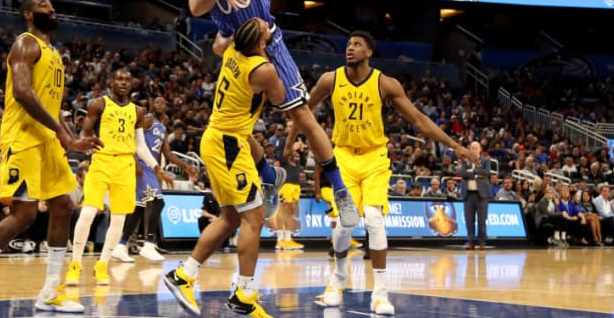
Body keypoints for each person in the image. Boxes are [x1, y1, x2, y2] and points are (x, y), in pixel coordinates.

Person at [141, 0, 360, 229]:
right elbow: (195, 7)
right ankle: (269, 175)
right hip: (236, 54)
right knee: (232, 127)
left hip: (268, 46)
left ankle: (341, 192)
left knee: (303, 118)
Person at [0, 0, 103, 316]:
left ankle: (50, 293)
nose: (52, 9)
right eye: (44, 5)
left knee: (63, 206)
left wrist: (68, 138)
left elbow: (50, 104)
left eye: (53, 5)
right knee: (24, 215)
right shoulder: (25, 44)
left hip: (48, 141)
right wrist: (63, 133)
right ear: (29, 15)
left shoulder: (53, 52)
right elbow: (23, 92)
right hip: (24, 139)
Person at [305, 31, 478, 315]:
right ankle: (336, 282)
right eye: (348, 44)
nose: (351, 48)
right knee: (345, 224)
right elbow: (305, 110)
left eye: (357, 44)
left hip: (375, 157)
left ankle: (380, 294)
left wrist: (454, 145)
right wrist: (289, 141)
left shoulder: (385, 83)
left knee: (374, 220)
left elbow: (419, 120)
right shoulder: (330, 79)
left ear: (369, 52)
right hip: (344, 157)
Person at [163, 17, 285, 317]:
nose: (267, 24)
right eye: (263, 26)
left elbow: (220, 42)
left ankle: (184, 274)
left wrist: (231, 22)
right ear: (259, 43)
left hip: (222, 138)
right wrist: (273, 47)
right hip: (227, 144)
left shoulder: (231, 50)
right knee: (254, 219)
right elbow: (281, 98)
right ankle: (244, 293)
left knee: (230, 217)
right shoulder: (263, 68)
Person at [66, 69, 165, 286]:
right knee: (88, 212)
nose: (123, 82)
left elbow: (139, 145)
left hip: (125, 165)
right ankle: (75, 264)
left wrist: (156, 167)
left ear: (132, 84)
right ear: (111, 81)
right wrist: (89, 146)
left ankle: (102, 265)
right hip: (101, 161)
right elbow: (85, 132)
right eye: (119, 78)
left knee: (119, 218)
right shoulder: (98, 104)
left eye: (127, 79)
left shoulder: (138, 111)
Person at [112, 96, 196, 263]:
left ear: (166, 107)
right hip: (141, 166)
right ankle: (149, 245)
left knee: (138, 208)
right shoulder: (148, 119)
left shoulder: (162, 128)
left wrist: (186, 166)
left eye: (162, 102)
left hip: (151, 169)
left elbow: (168, 154)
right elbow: (133, 140)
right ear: (151, 104)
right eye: (156, 101)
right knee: (158, 202)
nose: (159, 104)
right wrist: (135, 161)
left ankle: (121, 246)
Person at [460, 141, 492, 250]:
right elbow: (463, 174)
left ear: (480, 149)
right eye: (472, 148)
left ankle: (482, 242)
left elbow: (486, 172)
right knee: (469, 219)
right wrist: (477, 175)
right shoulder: (465, 160)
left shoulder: (486, 160)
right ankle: (471, 242)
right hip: (468, 194)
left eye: (476, 148)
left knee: (482, 219)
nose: (474, 150)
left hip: (482, 195)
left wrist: (473, 171)